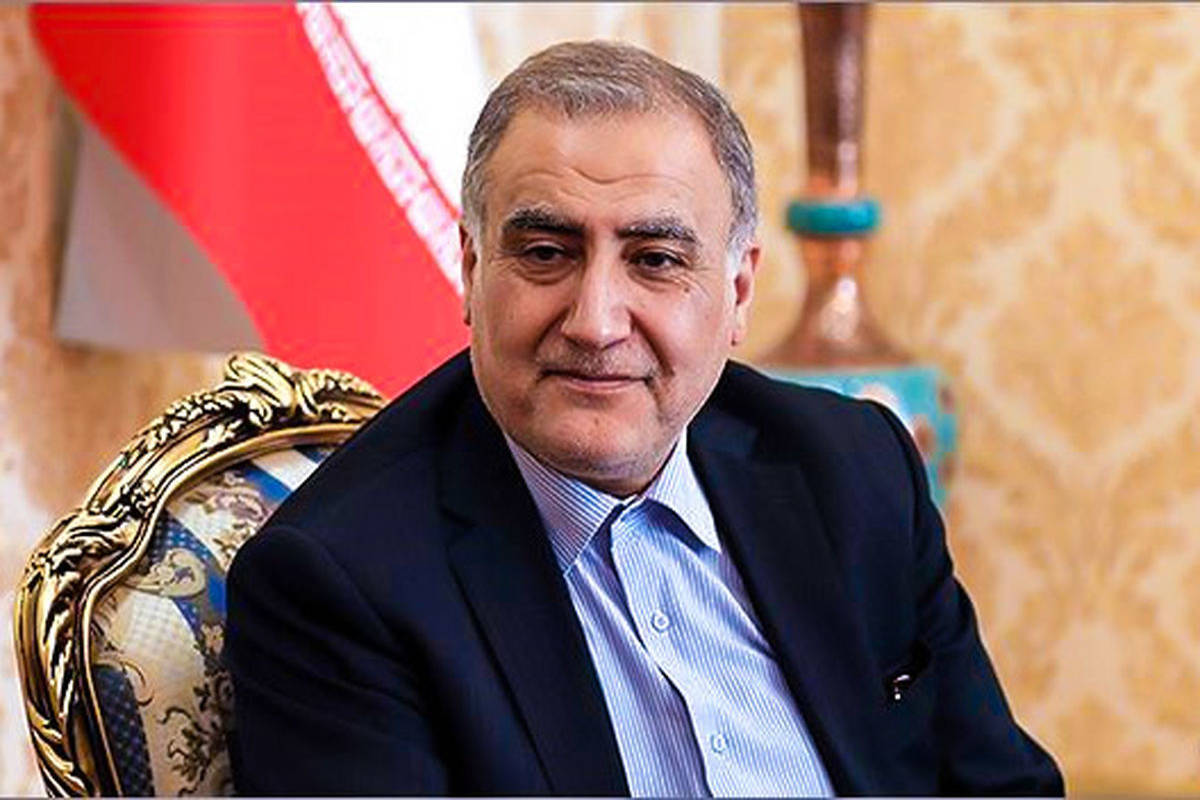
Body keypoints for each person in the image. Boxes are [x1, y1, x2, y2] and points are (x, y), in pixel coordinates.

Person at [225, 41, 1062, 796]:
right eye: (546, 254)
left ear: (738, 292)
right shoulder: (340, 581)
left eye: (656, 260)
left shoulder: (854, 469)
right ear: (472, 270)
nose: (595, 322)